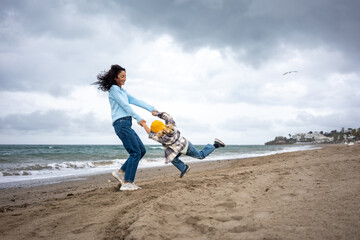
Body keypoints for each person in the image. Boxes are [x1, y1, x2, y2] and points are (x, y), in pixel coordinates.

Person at [93, 64, 157, 191]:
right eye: (122, 76)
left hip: (126, 123)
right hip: (121, 123)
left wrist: (153, 109)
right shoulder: (114, 90)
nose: (124, 79)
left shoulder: (122, 91)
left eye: (125, 76)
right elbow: (125, 106)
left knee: (141, 150)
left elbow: (136, 101)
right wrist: (140, 120)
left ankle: (121, 172)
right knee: (135, 152)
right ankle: (127, 182)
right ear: (115, 77)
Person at [140, 111, 225, 177]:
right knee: (173, 159)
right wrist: (157, 113)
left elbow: (150, 134)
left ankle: (215, 145)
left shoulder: (162, 138)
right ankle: (184, 168)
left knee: (201, 155)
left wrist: (144, 124)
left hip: (185, 149)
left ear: (156, 131)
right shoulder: (171, 125)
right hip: (185, 145)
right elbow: (167, 116)